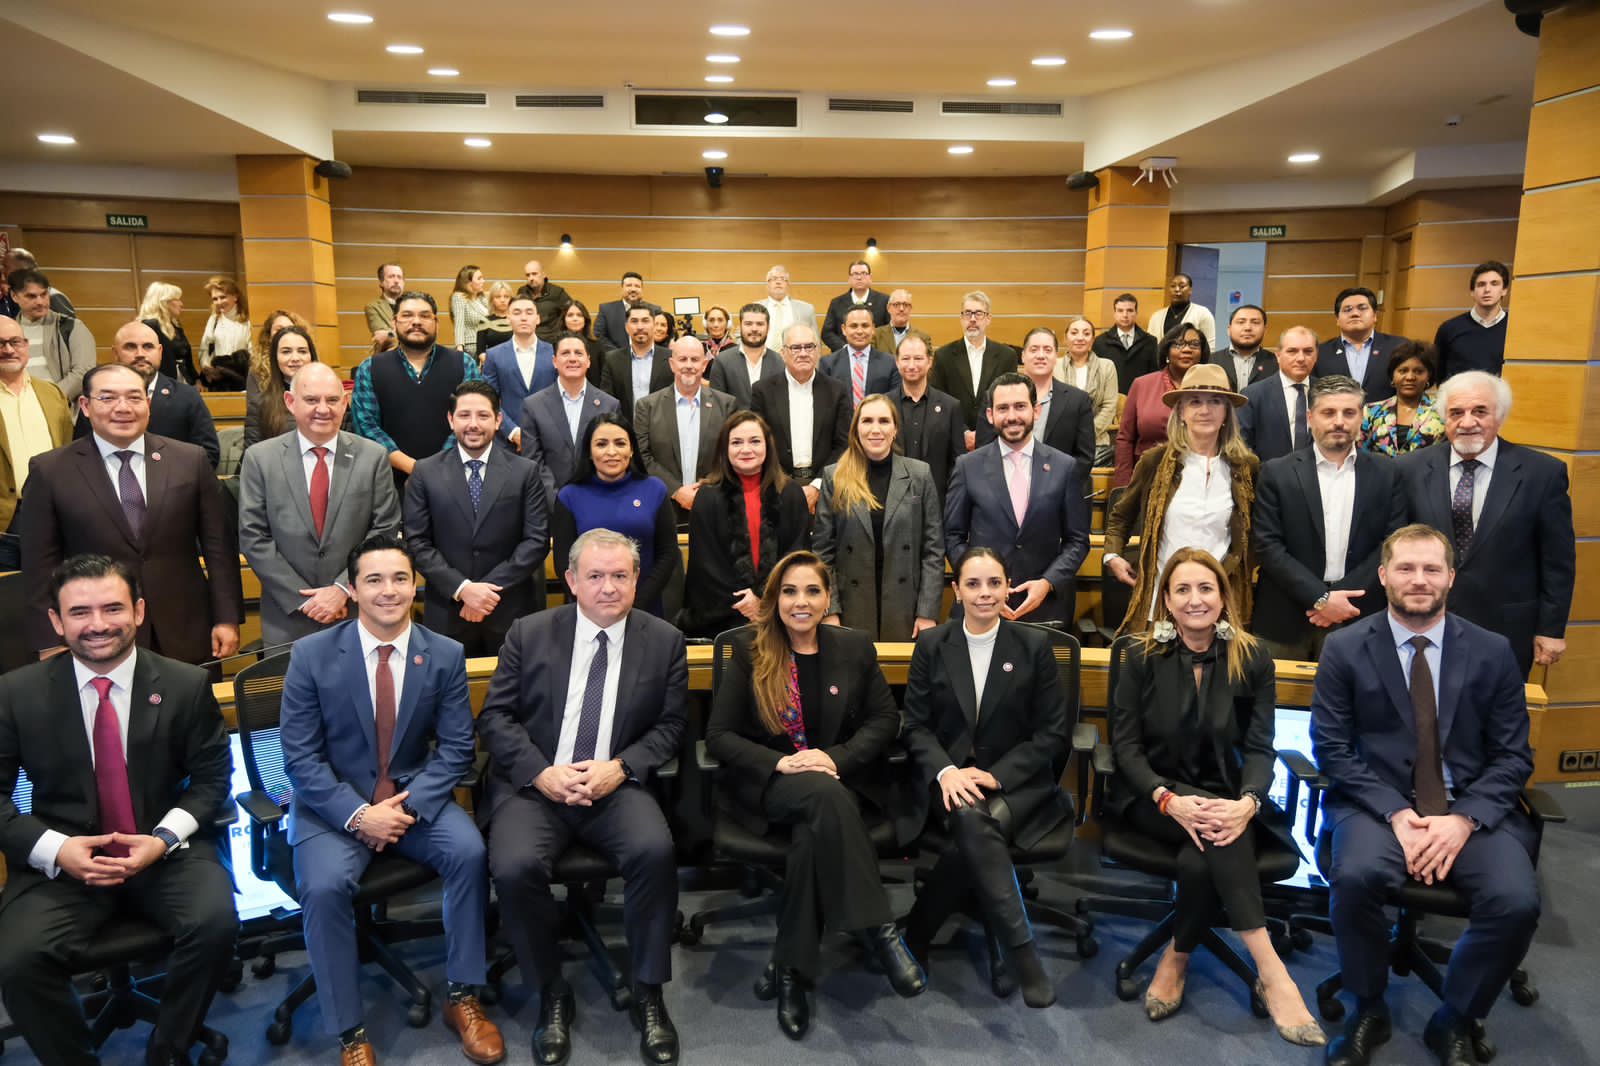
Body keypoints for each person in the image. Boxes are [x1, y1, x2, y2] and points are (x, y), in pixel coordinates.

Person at [1311, 525, 1541, 1066]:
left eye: (1432, 569)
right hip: (1377, 806)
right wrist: (1396, 812)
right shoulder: (1344, 648)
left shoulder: (1492, 652)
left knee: (1516, 902)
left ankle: (1455, 1018)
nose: (1419, 580)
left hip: (1469, 810)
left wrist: (1462, 820)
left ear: (1451, 578)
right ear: (1383, 575)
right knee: (1356, 878)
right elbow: (1332, 749)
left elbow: (1514, 757)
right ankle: (1369, 1007)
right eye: (1407, 568)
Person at [0, 554, 239, 1066]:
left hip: (164, 852)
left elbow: (213, 779)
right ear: (56, 621)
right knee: (16, 960)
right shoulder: (16, 694)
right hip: (66, 863)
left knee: (216, 923)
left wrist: (162, 839)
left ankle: (168, 1050)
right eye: (79, 612)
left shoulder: (185, 684)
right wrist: (57, 850)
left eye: (112, 608)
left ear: (138, 611)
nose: (98, 624)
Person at [278, 535, 503, 1066]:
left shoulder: (443, 653)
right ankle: (350, 1032)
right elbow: (300, 758)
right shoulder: (311, 655)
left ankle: (462, 995)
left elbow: (456, 748)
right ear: (353, 590)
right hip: (334, 808)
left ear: (415, 585)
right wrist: (359, 815)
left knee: (469, 853)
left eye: (400, 578)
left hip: (410, 801)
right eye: (374, 580)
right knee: (324, 887)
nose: (389, 590)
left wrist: (403, 809)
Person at [477, 529, 687, 1066]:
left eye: (620, 576)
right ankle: (551, 991)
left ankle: (649, 990)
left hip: (614, 783)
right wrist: (540, 772)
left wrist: (621, 767)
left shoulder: (665, 640)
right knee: (515, 866)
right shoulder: (528, 632)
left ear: (636, 580)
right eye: (595, 576)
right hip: (537, 786)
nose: (608, 587)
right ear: (571, 580)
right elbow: (495, 718)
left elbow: (670, 727)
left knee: (654, 852)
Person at [705, 551, 927, 1039]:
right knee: (822, 799)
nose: (800, 602)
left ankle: (790, 970)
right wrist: (780, 762)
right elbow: (719, 736)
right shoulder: (748, 648)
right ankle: (880, 930)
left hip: (837, 784)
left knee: (811, 837)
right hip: (772, 786)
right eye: (789, 591)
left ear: (828, 599)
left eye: (811, 591)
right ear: (774, 599)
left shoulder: (853, 647)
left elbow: (886, 720)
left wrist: (835, 758)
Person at [1110, 548, 1325, 1047]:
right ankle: (1272, 971)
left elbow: (1260, 746)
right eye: (1182, 589)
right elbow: (1126, 748)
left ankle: (1176, 956)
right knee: (1218, 835)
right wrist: (1169, 799)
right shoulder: (1140, 656)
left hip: (1228, 800)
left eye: (1206, 588)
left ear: (1223, 598)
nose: (1195, 599)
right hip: (1153, 797)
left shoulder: (1253, 658)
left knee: (1200, 859)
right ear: (1166, 600)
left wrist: (1248, 802)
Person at [900, 548, 1073, 1008]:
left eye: (994, 583)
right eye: (973, 584)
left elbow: (1052, 734)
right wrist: (946, 771)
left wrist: (996, 776)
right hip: (949, 783)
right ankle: (1024, 954)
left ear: (1007, 587)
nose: (984, 593)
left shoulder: (1034, 646)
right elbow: (914, 727)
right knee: (970, 815)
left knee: (973, 822)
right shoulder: (933, 644)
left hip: (1018, 784)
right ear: (956, 591)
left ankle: (917, 933)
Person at [23, 362, 242, 665]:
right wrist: (49, 640)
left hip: (186, 626)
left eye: (134, 397)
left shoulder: (190, 460)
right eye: (108, 398)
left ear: (148, 404)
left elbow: (219, 548)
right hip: (96, 632)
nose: (123, 407)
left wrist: (226, 618)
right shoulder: (50, 470)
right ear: (85, 406)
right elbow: (39, 565)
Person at [1396, 371, 1574, 677]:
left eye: (1480, 411)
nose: (1467, 422)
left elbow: (1557, 561)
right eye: (1456, 413)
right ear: (1444, 418)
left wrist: (1551, 629)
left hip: (1507, 630)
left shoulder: (1542, 474)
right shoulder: (1408, 469)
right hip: (1422, 623)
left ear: (1500, 416)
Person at [239, 362, 401, 647]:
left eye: (332, 400)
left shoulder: (373, 457)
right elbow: (253, 537)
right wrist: (304, 600)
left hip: (357, 612)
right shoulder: (260, 459)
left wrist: (342, 588)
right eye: (312, 400)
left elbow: (384, 530)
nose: (323, 409)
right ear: (290, 402)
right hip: (288, 617)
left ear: (345, 402)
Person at [1252, 376, 1407, 661]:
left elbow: (1392, 543)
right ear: (1310, 417)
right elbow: (1267, 545)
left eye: (1349, 413)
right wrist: (1321, 598)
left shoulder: (1388, 473)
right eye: (1328, 413)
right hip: (1285, 616)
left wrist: (1339, 599)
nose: (1339, 422)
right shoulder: (1276, 472)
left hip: (1357, 612)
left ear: (1361, 417)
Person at [1104, 363, 1258, 631]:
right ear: (1181, 412)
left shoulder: (1246, 467)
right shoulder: (1155, 461)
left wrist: (1240, 565)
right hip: (1162, 597)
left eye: (1215, 401)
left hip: (1222, 598)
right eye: (1195, 401)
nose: (1205, 410)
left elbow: (1256, 532)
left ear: (1226, 413)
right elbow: (1121, 516)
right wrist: (1112, 555)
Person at [405, 381, 550, 657]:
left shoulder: (525, 472)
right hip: (448, 611)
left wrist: (485, 593)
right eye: (464, 415)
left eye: (483, 415)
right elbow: (417, 542)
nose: (473, 424)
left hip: (510, 610)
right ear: (451, 420)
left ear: (498, 420)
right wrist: (463, 589)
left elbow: (536, 540)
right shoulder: (425, 472)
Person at [945, 373, 1091, 625]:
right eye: (1003, 408)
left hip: (1045, 609)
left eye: (1020, 406)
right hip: (982, 609)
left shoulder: (1064, 467)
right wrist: (981, 585)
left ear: (1036, 411)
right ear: (990, 415)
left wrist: (1048, 582)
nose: (1012, 416)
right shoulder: (967, 466)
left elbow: (1077, 541)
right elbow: (952, 537)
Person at [813, 395, 944, 640]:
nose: (876, 429)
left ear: (895, 429)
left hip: (906, 607)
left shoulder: (920, 474)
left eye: (884, 421)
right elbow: (823, 553)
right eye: (867, 421)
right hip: (851, 608)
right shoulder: (835, 476)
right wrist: (830, 610)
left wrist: (927, 612)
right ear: (856, 429)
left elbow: (933, 550)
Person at [678, 411, 810, 639]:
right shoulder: (707, 497)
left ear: (768, 446)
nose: (746, 449)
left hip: (781, 613)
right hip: (723, 618)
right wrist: (745, 603)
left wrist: (764, 599)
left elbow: (797, 553)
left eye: (755, 441)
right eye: (737, 442)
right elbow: (706, 564)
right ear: (725, 449)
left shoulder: (791, 494)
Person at [351, 291, 484, 489]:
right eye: (407, 315)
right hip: (390, 483)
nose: (416, 321)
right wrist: (413, 468)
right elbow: (366, 426)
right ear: (394, 322)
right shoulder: (370, 368)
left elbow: (472, 420)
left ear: (436, 323)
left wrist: (436, 468)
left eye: (424, 315)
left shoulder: (464, 364)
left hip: (455, 479)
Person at [551, 414, 679, 618]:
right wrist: (592, 603)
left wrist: (636, 603)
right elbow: (563, 562)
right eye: (601, 444)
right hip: (588, 611)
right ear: (589, 452)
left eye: (620, 443)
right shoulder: (569, 496)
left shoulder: (654, 489)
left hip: (644, 609)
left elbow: (668, 553)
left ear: (632, 450)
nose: (612, 452)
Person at [73, 321, 220, 468]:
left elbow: (208, 455)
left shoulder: (187, 397)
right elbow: (81, 454)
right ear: (115, 353)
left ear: (160, 352)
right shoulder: (97, 398)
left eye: (148, 347)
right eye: (130, 347)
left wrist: (167, 479)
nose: (140, 354)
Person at [634, 336, 737, 523]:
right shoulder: (647, 406)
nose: (689, 365)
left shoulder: (726, 405)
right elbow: (642, 455)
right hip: (663, 506)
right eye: (682, 359)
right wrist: (676, 490)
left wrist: (704, 490)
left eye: (695, 359)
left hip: (713, 504)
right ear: (672, 364)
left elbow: (730, 454)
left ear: (704, 365)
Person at [0, 316, 75, 570]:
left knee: (53, 589)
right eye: (0, 343)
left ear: (26, 346)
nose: (8, 349)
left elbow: (67, 449)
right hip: (4, 523)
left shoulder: (52, 393)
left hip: (52, 514)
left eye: (15, 342)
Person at [752, 323, 852, 510]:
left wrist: (817, 486)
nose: (803, 353)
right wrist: (784, 485)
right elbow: (758, 442)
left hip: (826, 489)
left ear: (818, 351)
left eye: (809, 347)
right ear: (783, 353)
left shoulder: (837, 390)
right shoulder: (762, 391)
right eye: (796, 348)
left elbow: (843, 444)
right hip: (776, 488)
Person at [517, 332, 622, 505]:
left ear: (588, 361)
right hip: (550, 504)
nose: (572, 358)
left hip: (599, 501)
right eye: (565, 353)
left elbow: (613, 457)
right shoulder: (533, 405)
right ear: (554, 361)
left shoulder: (609, 405)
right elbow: (533, 460)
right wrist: (558, 500)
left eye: (578, 353)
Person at [979, 326, 1093, 468]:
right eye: (1034, 350)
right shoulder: (995, 396)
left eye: (1048, 350)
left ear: (1056, 357)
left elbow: (1084, 458)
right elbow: (983, 449)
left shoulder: (1078, 400)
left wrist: (1057, 480)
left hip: (1059, 480)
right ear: (1023, 356)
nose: (1041, 355)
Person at [1114, 323, 1210, 487]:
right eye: (1178, 344)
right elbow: (1125, 439)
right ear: (1166, 351)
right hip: (1147, 478)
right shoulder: (1142, 385)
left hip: (1200, 480)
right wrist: (1124, 485)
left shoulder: (1212, 388)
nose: (1186, 349)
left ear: (1202, 352)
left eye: (1194, 344)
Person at [930, 291, 1019, 451]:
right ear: (961, 318)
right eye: (967, 313)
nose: (972, 319)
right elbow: (938, 399)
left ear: (988, 318)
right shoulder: (943, 356)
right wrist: (963, 432)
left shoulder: (1007, 356)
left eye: (978, 313)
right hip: (954, 442)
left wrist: (983, 433)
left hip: (995, 442)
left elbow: (1008, 400)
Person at [886, 330, 963, 508]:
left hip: (937, 503)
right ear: (897, 362)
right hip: (892, 504)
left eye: (918, 358)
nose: (912, 365)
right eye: (906, 359)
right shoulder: (884, 405)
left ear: (930, 362)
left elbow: (957, 463)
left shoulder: (951, 407)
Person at [481, 294, 555, 453]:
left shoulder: (554, 353)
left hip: (549, 441)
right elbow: (489, 400)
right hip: (507, 443)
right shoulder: (493, 355)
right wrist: (513, 432)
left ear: (538, 319)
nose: (523, 318)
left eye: (529, 312)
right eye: (517, 312)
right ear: (508, 318)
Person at [6, 268, 95, 402]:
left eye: (44, 294)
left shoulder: (71, 326)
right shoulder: (6, 331)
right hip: (17, 404)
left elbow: (83, 371)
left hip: (60, 405)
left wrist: (50, 399)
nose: (40, 302)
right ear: (14, 296)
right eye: (31, 296)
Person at [1238, 325, 1319, 464]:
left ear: (1316, 355)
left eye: (1308, 351)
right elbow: (1243, 445)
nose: (1301, 358)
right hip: (1267, 475)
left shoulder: (1328, 393)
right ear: (1278, 355)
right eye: (1292, 351)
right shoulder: (1253, 395)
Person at [1314, 287, 1404, 403]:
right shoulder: (1321, 353)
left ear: (1375, 315)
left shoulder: (1399, 347)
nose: (1355, 313)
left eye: (1362, 308)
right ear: (1337, 319)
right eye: (1347, 310)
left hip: (1386, 414)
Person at [1053, 316, 1119, 465]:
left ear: (1093, 340)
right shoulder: (1054, 366)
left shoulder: (1106, 366)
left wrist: (1086, 434)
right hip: (1059, 442)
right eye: (1074, 333)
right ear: (1065, 338)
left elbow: (1109, 406)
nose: (1080, 338)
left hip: (1097, 442)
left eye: (1086, 333)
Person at [1360, 341, 1446, 456]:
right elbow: (1360, 453)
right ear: (1393, 376)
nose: (1410, 377)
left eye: (1419, 371)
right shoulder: (1371, 411)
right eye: (1403, 371)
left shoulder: (1442, 410)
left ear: (1428, 376)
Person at [244, 321, 317, 451]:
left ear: (311, 356)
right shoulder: (260, 404)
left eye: (302, 351)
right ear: (275, 358)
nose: (295, 358)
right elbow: (252, 454)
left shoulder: (332, 398)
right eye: (286, 352)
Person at [1433, 261, 1510, 381]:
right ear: (1472, 292)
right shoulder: (1449, 328)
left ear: (1504, 290)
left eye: (1494, 284)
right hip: (1458, 393)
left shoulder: (1514, 328)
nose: (1487, 289)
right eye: (1481, 284)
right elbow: (1438, 373)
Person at [820, 305, 900, 407]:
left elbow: (894, 404)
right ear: (844, 329)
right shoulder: (828, 364)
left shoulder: (890, 363)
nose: (859, 331)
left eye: (865, 326)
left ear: (873, 329)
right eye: (854, 326)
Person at [601, 305, 673, 417]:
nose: (640, 327)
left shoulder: (671, 358)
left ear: (654, 325)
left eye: (645, 321)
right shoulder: (612, 359)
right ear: (626, 327)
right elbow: (607, 400)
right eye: (634, 321)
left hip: (662, 426)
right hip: (624, 426)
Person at [707, 303, 783, 409]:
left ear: (768, 327)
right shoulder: (722, 361)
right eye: (748, 324)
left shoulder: (779, 362)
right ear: (741, 326)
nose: (754, 329)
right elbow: (717, 407)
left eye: (760, 324)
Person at [1094, 293, 1159, 394]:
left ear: (1136, 313)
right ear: (1114, 313)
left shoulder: (1150, 342)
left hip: (1140, 395)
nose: (1125, 315)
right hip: (1110, 397)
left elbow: (1154, 376)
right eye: (1120, 311)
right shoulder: (1100, 342)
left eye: (1130, 310)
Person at [820, 259, 890, 352]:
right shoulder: (836, 303)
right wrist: (844, 348)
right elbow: (827, 333)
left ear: (870, 277)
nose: (859, 277)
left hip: (876, 355)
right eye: (855, 274)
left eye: (863, 273)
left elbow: (889, 331)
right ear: (849, 278)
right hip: (844, 356)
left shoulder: (884, 301)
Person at [195, 276, 251, 391]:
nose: (219, 302)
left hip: (242, 380)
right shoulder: (214, 319)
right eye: (215, 299)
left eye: (223, 297)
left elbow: (252, 352)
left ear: (235, 296)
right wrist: (208, 368)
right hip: (218, 380)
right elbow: (204, 349)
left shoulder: (247, 320)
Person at [138, 281, 195, 385]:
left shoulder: (175, 325)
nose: (181, 304)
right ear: (164, 302)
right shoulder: (150, 326)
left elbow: (186, 356)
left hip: (182, 381)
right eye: (177, 299)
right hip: (163, 384)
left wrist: (196, 379)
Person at [1210, 305, 1277, 391]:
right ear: (1229, 330)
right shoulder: (1211, 361)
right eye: (1241, 322)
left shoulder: (1276, 363)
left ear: (1265, 330)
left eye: (1255, 322)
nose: (1247, 328)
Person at [1147, 272, 1217, 350]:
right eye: (1173, 286)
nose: (1177, 289)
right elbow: (1149, 346)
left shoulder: (1203, 314)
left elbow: (1211, 347)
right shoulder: (1156, 316)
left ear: (1190, 290)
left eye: (1182, 286)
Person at [594, 271, 659, 351]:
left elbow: (660, 336)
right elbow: (599, 334)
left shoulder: (655, 310)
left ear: (642, 289)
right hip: (615, 356)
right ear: (622, 288)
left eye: (637, 286)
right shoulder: (606, 309)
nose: (633, 289)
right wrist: (618, 354)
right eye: (629, 285)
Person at [1, 248, 73, 315]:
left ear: (21, 269)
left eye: (5, 266)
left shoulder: (53, 297)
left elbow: (69, 323)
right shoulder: (10, 295)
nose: (2, 270)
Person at [515, 259, 571, 343]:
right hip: (527, 339)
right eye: (528, 275)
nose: (531, 278)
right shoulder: (522, 291)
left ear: (544, 274)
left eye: (534, 274)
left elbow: (571, 312)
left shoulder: (557, 292)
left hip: (551, 341)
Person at [760, 264, 818, 345]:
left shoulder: (806, 309)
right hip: (763, 352)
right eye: (774, 279)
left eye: (783, 279)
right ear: (767, 284)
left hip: (796, 352)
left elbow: (816, 339)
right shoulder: (755, 308)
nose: (778, 282)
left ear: (788, 284)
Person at [559, 299, 607, 387]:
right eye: (570, 315)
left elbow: (603, 379)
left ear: (585, 319)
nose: (575, 319)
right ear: (563, 320)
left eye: (579, 315)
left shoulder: (597, 346)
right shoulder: (554, 345)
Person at [450, 264, 491, 358]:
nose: (483, 281)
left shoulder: (481, 298)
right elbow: (459, 324)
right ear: (468, 282)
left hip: (486, 345)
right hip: (472, 347)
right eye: (479, 278)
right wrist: (460, 349)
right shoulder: (459, 297)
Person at [365, 263, 405, 348]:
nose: (396, 281)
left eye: (399, 277)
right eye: (391, 276)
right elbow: (381, 338)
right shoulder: (373, 307)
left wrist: (391, 333)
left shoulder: (413, 305)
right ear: (381, 282)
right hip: (388, 354)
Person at [475, 280, 516, 356]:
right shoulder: (485, 321)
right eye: (498, 297)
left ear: (511, 299)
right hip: (491, 361)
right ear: (492, 300)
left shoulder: (516, 320)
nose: (502, 300)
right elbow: (480, 351)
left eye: (506, 297)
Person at [873, 289, 915, 355]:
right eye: (896, 304)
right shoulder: (875, 335)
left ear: (910, 309)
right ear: (888, 308)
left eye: (905, 305)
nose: (901, 309)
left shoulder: (922, 337)